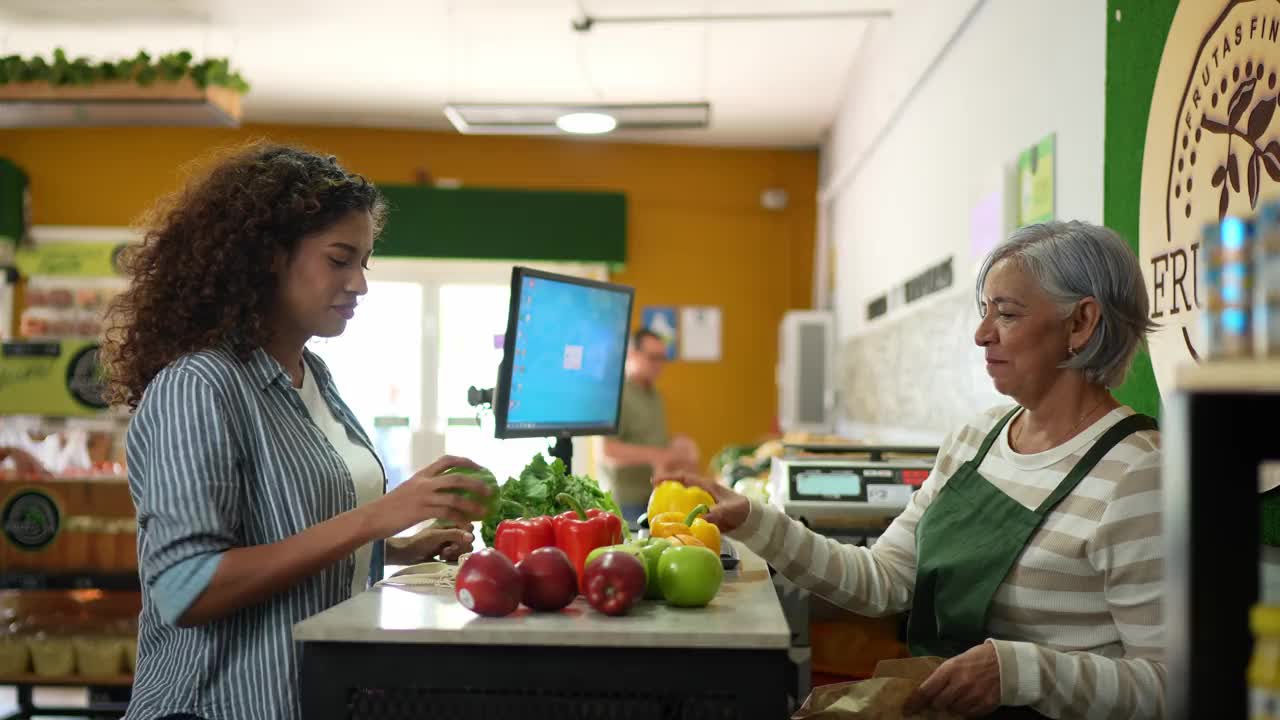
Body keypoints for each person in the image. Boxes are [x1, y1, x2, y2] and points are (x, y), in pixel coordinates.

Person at [662, 221, 1165, 719]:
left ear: (1081, 323)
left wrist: (1019, 672)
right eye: (984, 310)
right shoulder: (977, 439)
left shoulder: (1137, 475)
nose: (981, 333)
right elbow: (882, 579)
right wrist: (754, 519)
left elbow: (1170, 684)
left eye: (1007, 314)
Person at [103, 143, 491, 720]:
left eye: (365, 261)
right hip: (219, 706)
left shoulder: (314, 375)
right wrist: (378, 517)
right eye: (340, 259)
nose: (359, 283)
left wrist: (397, 546)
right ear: (267, 257)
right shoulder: (201, 386)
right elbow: (188, 587)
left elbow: (290, 529)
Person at [600, 328, 700, 527]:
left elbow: (650, 440)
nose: (658, 365)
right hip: (626, 504)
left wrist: (677, 444)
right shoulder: (616, 395)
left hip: (655, 497)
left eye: (662, 358)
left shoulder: (654, 394)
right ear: (632, 355)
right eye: (653, 357)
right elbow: (607, 451)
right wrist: (658, 455)